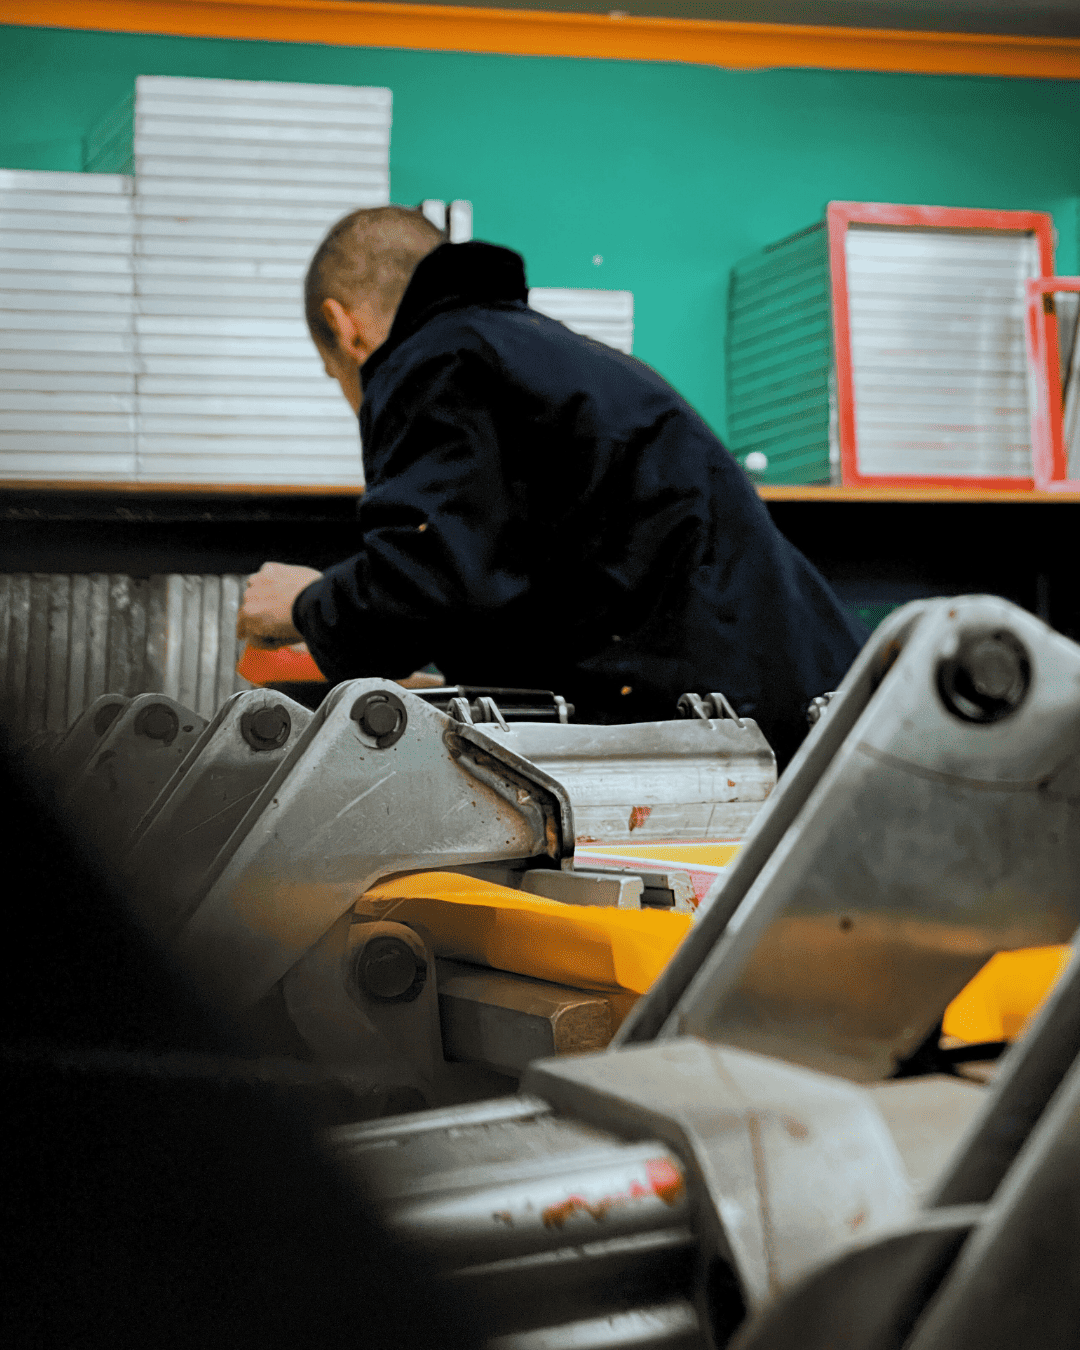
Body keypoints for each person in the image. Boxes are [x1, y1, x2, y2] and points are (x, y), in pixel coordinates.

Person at [238, 206, 864, 768]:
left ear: (343, 327)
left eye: (336, 377)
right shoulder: (531, 352)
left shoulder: (434, 360)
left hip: (734, 737)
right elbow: (511, 581)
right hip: (795, 708)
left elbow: (420, 589)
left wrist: (302, 603)